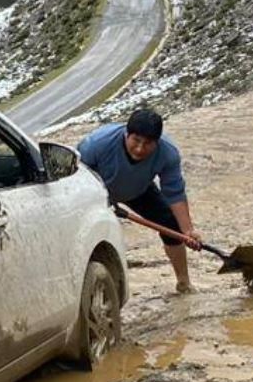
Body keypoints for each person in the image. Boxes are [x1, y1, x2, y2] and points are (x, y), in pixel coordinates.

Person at [77, 106, 202, 293]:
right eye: (136, 140)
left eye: (148, 143)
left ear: (157, 142)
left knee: (170, 225)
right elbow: (75, 178)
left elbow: (174, 193)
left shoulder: (168, 153)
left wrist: (188, 231)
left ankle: (184, 283)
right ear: (126, 134)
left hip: (138, 189)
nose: (140, 148)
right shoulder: (97, 144)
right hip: (94, 193)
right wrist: (101, 201)